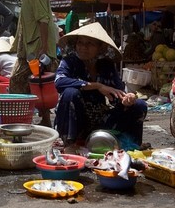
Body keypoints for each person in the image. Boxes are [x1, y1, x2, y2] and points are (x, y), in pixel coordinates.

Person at [53, 22, 148, 150]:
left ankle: (132, 146)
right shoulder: (69, 62)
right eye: (80, 42)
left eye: (89, 44)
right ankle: (70, 144)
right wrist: (97, 86)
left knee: (139, 105)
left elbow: (117, 93)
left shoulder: (106, 66)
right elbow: (59, 82)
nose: (83, 47)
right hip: (76, 122)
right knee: (70, 92)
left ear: (100, 48)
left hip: (100, 121)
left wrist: (127, 99)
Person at [2, 0, 58, 127]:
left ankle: (22, 119)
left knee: (21, 81)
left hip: (36, 46)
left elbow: (43, 19)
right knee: (37, 82)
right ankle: (42, 118)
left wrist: (42, 47)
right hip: (30, 44)